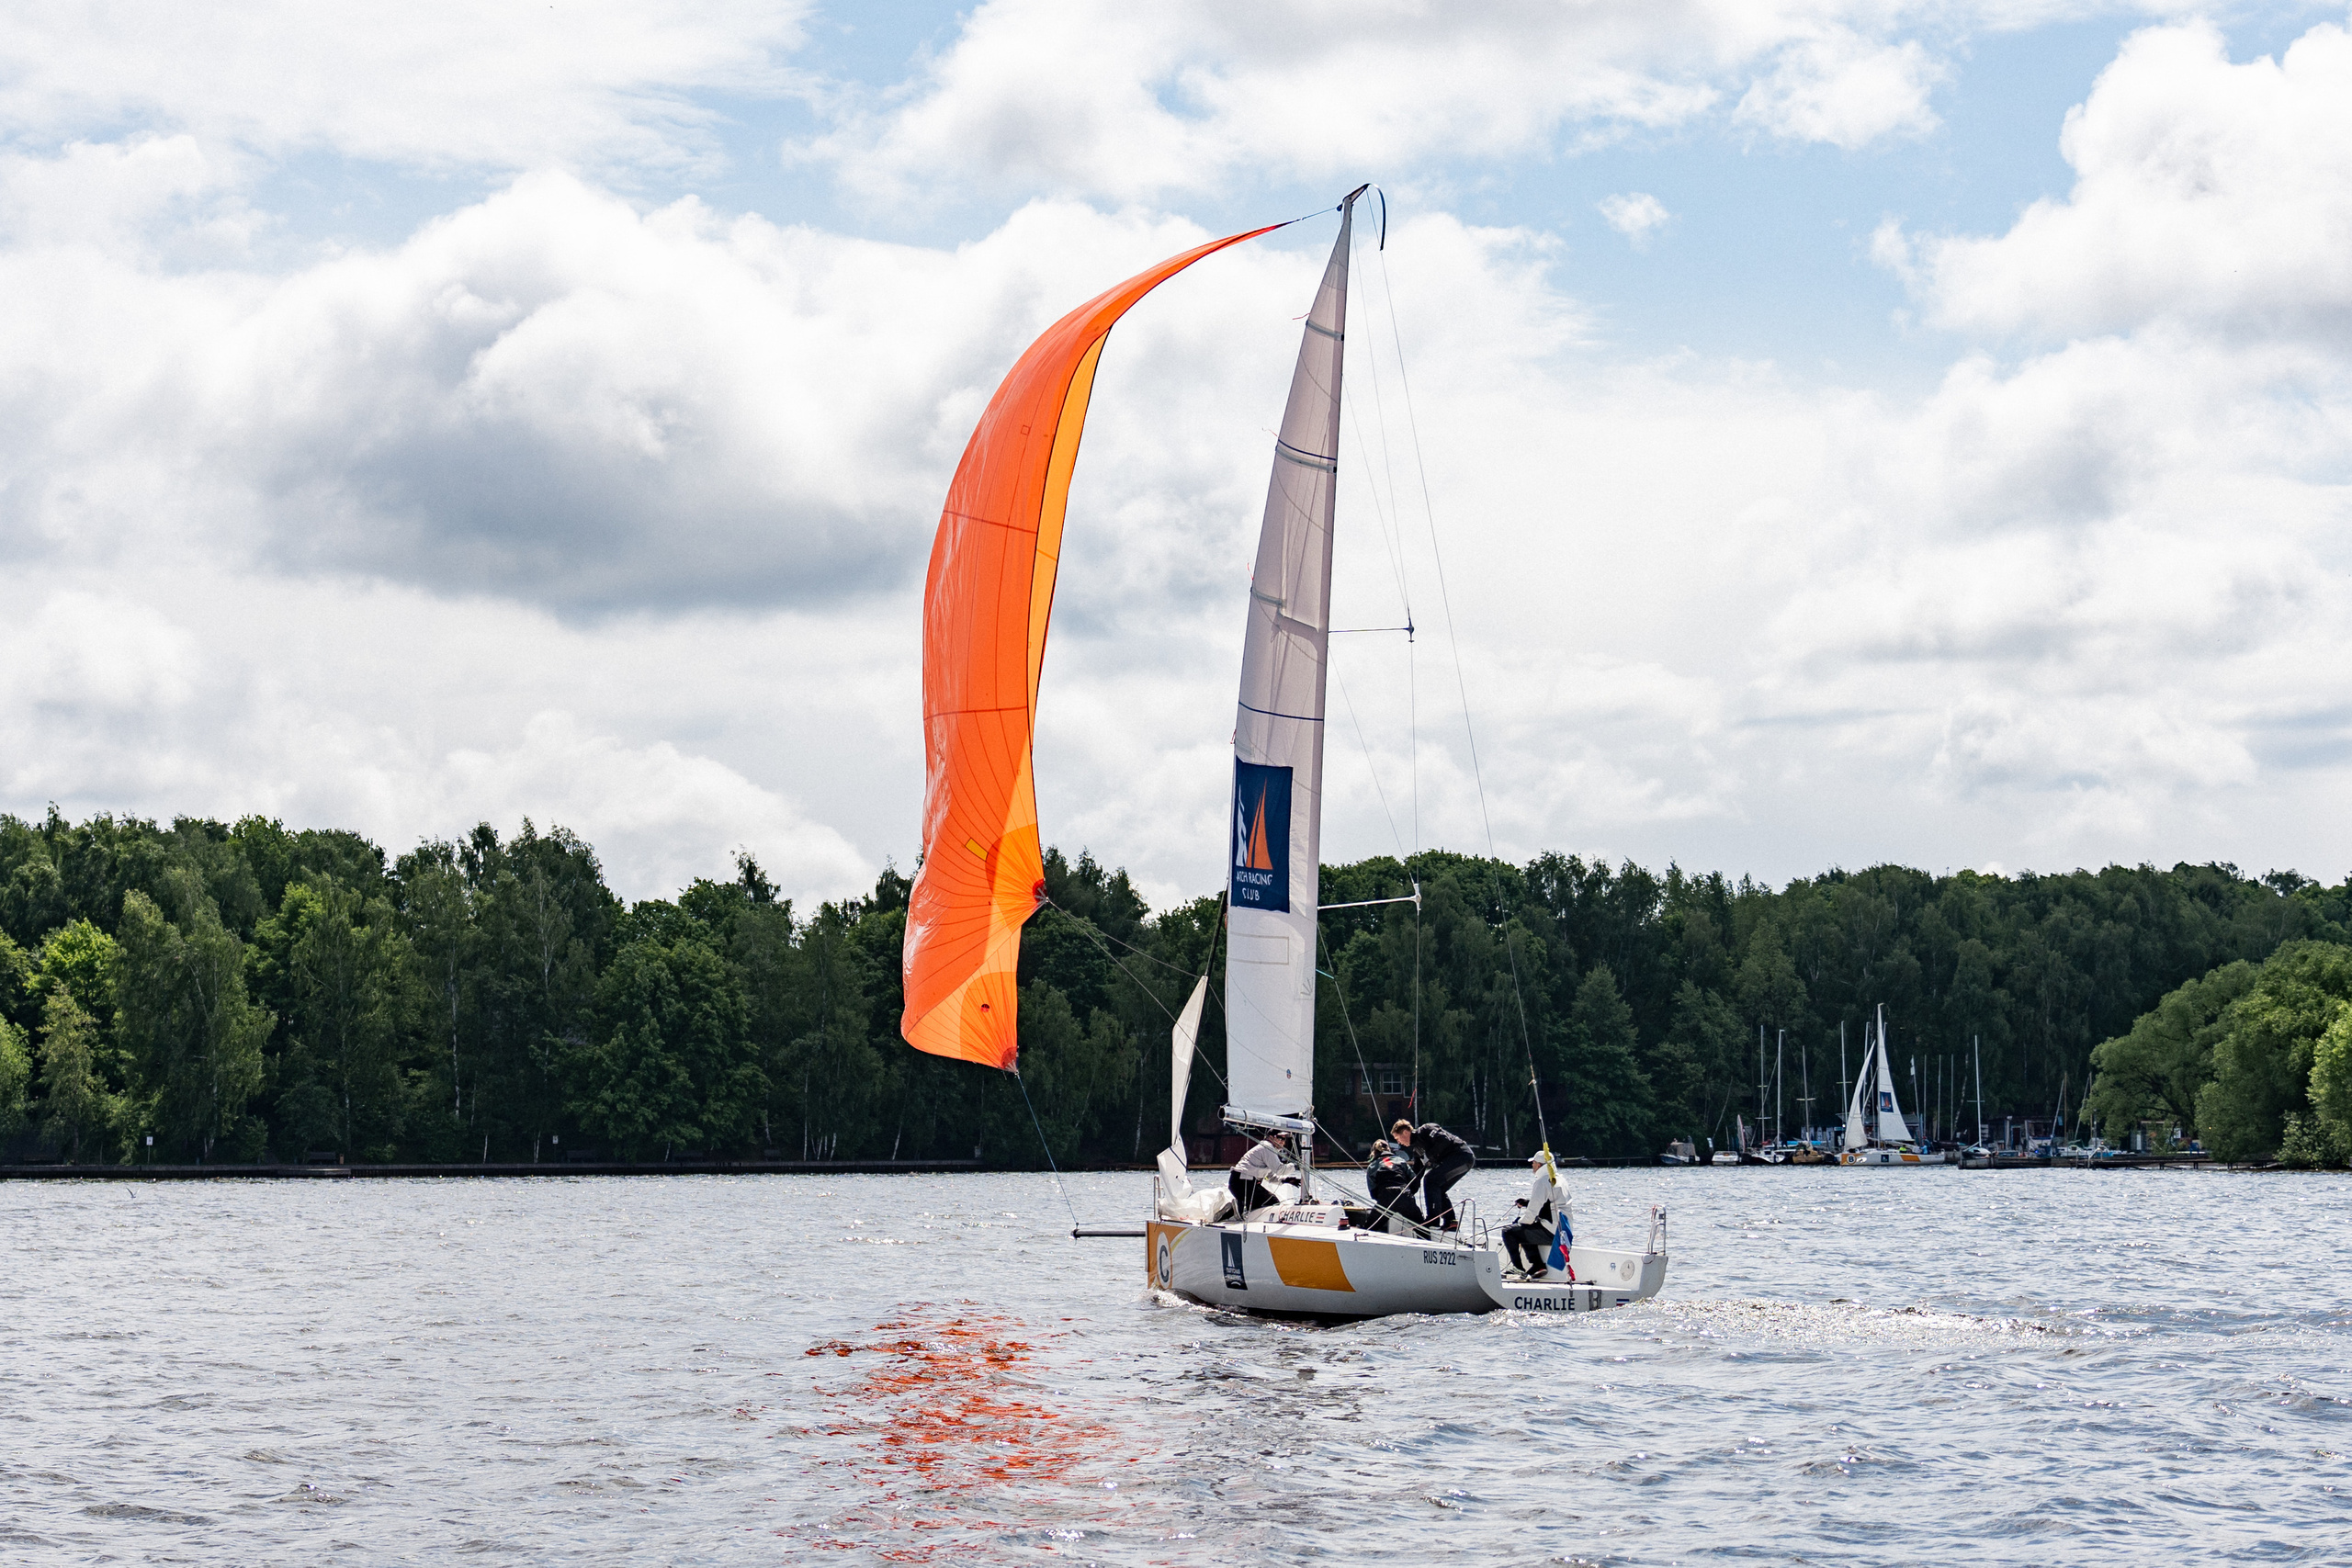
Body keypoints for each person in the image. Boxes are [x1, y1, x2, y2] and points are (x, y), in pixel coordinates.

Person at [1394, 1118, 1476, 1231]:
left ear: (1405, 1132)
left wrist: (1429, 1155)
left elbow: (1444, 1140)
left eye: (1397, 1138)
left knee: (1430, 1180)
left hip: (1462, 1156)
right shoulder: (1417, 1151)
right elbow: (1417, 1176)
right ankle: (1451, 1222)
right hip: (1455, 1162)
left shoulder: (1426, 1129)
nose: (1399, 1142)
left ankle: (1432, 1220)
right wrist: (1405, 1192)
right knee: (1438, 1189)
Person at [1502, 1150, 1566, 1278]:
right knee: (1522, 1227)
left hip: (1552, 1234)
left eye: (1534, 1163)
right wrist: (1526, 1203)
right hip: (1564, 1231)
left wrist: (1518, 1223)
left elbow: (1531, 1215)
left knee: (1509, 1231)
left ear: (1540, 1165)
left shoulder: (1542, 1182)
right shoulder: (1561, 1180)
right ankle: (1538, 1265)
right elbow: (1549, 1204)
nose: (1532, 1165)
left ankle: (1518, 1268)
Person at [1227, 1129, 1298, 1216]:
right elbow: (1279, 1169)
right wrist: (1296, 1166)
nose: (1282, 1141)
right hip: (1243, 1182)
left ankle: (1233, 1213)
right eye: (1279, 1138)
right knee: (1272, 1201)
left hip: (1241, 1182)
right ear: (1271, 1137)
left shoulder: (1267, 1149)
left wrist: (1285, 1180)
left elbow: (1269, 1176)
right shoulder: (1267, 1147)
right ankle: (1239, 1213)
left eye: (1284, 1139)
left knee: (1258, 1204)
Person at [1363, 1139, 1424, 1233]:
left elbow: (1373, 1192)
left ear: (1374, 1152)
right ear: (1389, 1149)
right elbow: (1414, 1180)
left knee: (1369, 1228)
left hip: (1386, 1199)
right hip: (1404, 1195)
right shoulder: (1401, 1161)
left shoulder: (1372, 1166)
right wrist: (1409, 1194)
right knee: (1422, 1228)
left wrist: (1383, 1200)